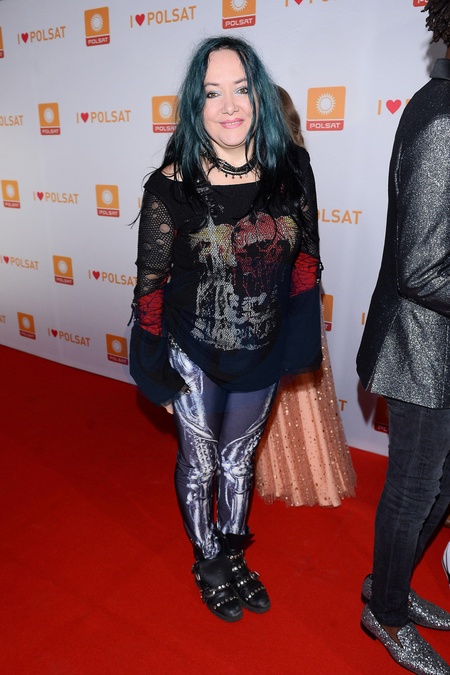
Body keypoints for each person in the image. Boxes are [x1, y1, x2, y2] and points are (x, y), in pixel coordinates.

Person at [129, 36, 322, 623]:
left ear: (259, 96)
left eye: (241, 89)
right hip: (192, 351)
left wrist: (296, 346)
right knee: (201, 464)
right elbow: (150, 288)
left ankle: (233, 551)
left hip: (260, 351)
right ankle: (207, 560)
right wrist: (154, 371)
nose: (230, 105)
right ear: (196, 104)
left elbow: (306, 262)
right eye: (213, 93)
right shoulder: (169, 186)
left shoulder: (292, 170)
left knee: (238, 462)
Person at [357, 1, 450, 672]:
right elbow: (422, 267)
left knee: (441, 483)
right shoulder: (442, 118)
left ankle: (387, 585)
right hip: (419, 346)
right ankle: (385, 613)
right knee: (416, 486)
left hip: (441, 341)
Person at [255, 86, 356, 508]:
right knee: (280, 382)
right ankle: (294, 470)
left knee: (288, 378)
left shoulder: (289, 162)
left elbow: (304, 232)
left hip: (281, 287)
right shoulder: (284, 160)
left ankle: (294, 472)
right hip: (281, 285)